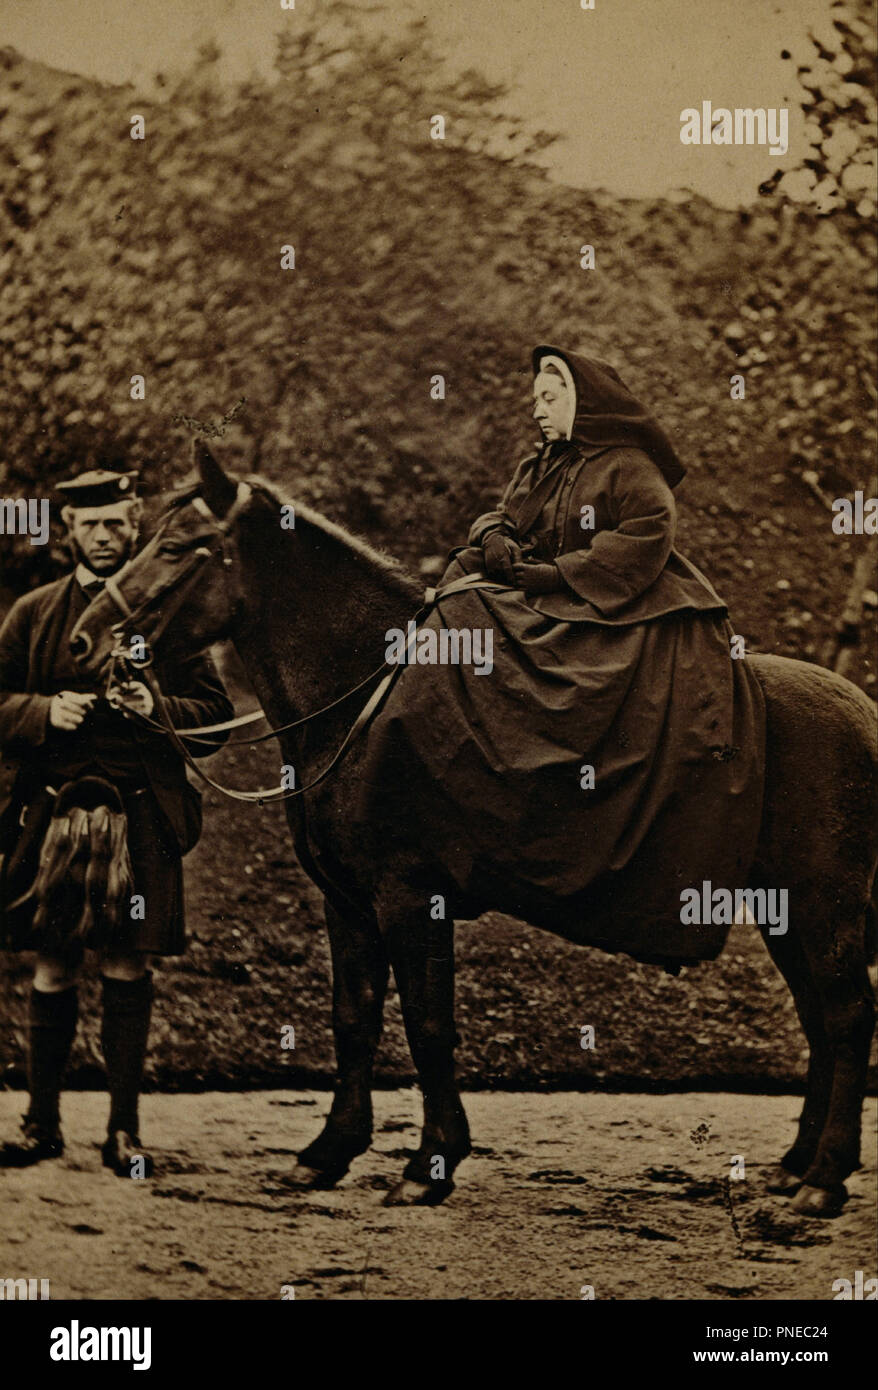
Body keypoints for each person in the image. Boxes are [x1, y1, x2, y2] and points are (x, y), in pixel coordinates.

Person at [0, 466, 234, 1175]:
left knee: (129, 963)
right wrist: (43, 713)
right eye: (90, 524)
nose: (104, 536)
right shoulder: (33, 613)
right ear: (67, 531)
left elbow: (216, 721)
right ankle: (41, 1124)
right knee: (53, 962)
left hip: (138, 813)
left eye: (116, 524)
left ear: (135, 528)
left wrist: (154, 710)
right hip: (51, 811)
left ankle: (123, 1132)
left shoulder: (170, 619)